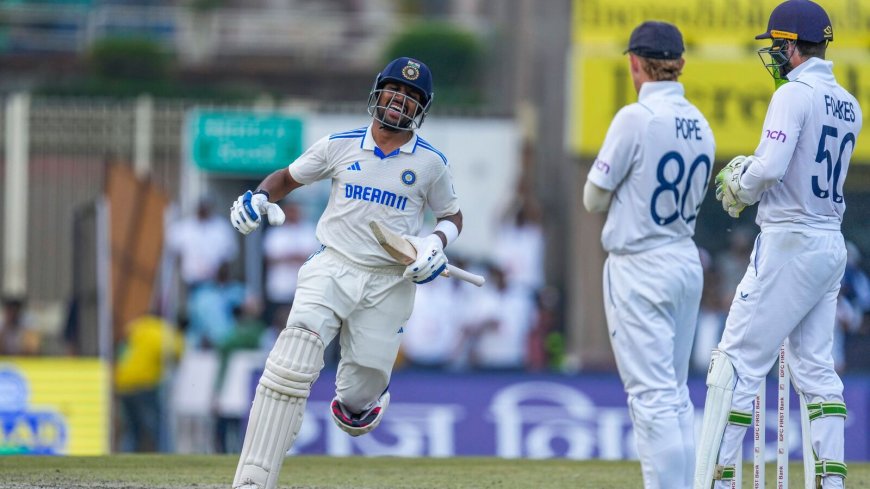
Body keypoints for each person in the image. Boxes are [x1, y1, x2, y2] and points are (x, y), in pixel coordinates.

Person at [227, 57, 463, 489]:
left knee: (356, 401)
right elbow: (286, 178)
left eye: (412, 96)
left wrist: (435, 243)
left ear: (421, 109)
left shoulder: (431, 164)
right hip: (333, 265)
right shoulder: (340, 144)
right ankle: (253, 479)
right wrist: (259, 198)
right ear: (378, 91)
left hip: (390, 281)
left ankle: (361, 404)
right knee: (291, 360)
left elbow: (452, 216)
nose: (400, 100)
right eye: (395, 89)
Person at [695, 1, 862, 488]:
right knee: (816, 370)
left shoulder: (794, 93)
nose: (773, 55)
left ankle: (716, 480)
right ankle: (831, 483)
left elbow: (769, 167)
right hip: (830, 242)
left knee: (736, 364)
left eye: (776, 46)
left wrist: (742, 184)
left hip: (790, 239)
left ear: (791, 46)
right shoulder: (848, 102)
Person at [582, 21, 715, 489]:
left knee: (652, 398)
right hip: (684, 258)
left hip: (640, 264)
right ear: (679, 65)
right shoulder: (701, 122)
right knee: (675, 395)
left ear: (636, 64)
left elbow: (593, 199)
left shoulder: (634, 119)